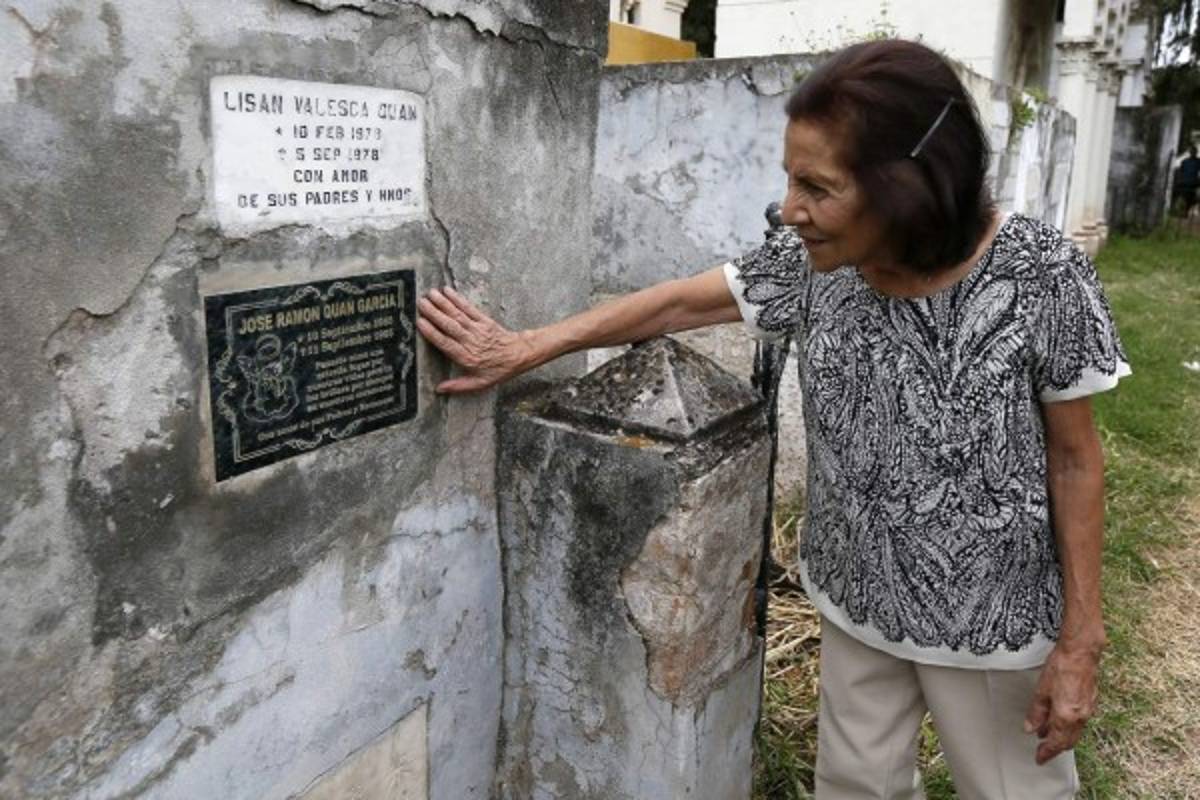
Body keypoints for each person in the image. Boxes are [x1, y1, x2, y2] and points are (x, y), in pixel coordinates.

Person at [418, 39, 1129, 799]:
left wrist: (1080, 637)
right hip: (856, 594)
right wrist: (529, 347)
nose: (790, 209)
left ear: (908, 185)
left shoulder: (1040, 273)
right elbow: (679, 300)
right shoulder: (815, 263)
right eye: (791, 180)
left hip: (993, 618)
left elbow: (1075, 459)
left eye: (816, 187)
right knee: (854, 786)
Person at [1174, 145, 1200, 217]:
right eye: (1191, 151)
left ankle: (1187, 211)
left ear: (1196, 152)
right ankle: (1184, 212)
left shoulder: (1198, 161)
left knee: (1191, 198)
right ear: (1190, 152)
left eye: (1194, 151)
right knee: (1184, 198)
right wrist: (1179, 180)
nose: (1192, 152)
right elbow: (1180, 172)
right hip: (1184, 182)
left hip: (1193, 183)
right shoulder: (1184, 161)